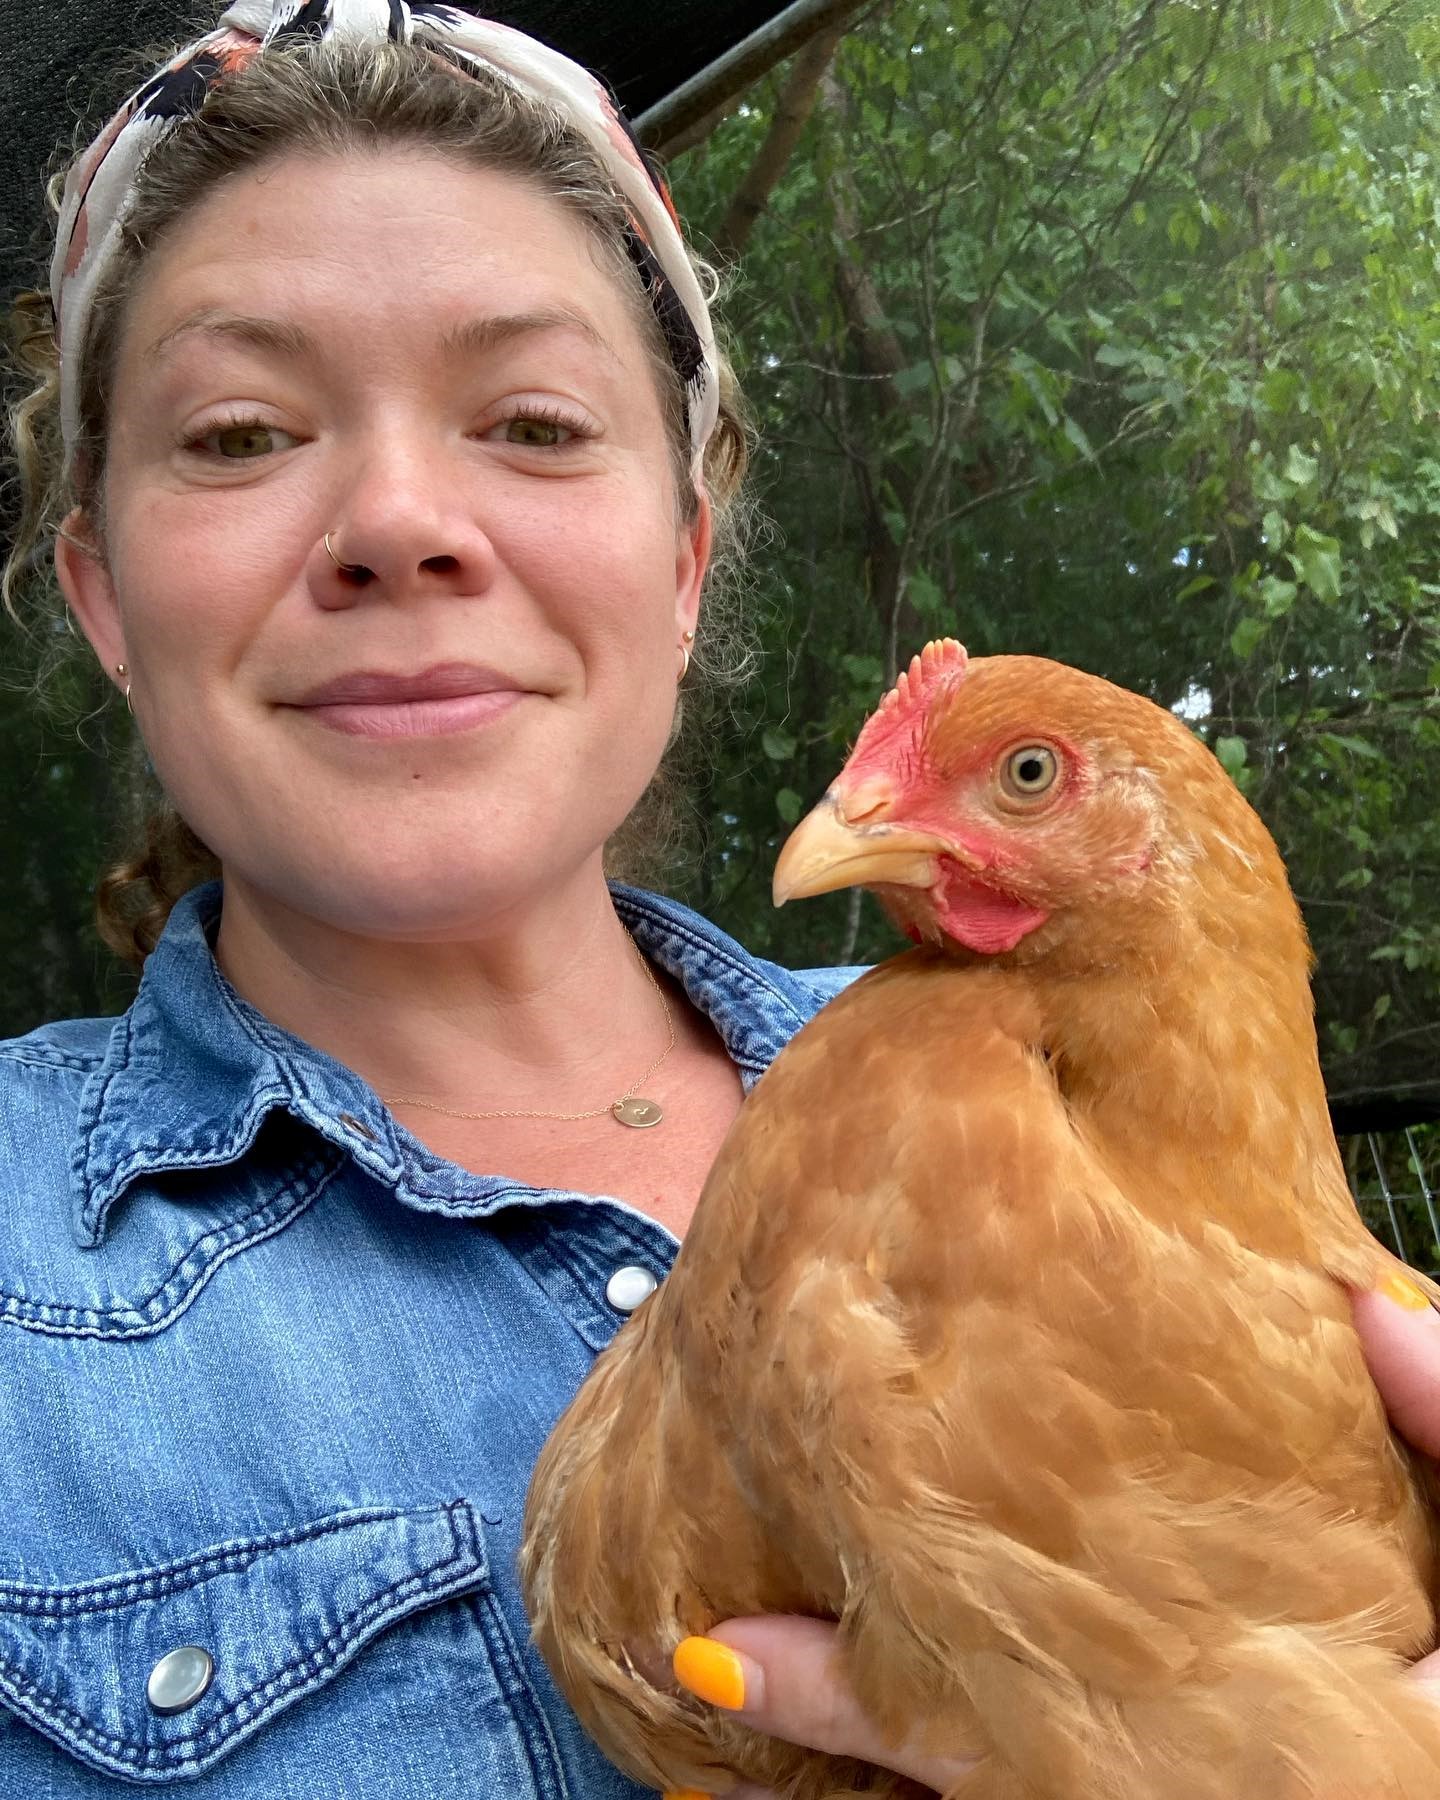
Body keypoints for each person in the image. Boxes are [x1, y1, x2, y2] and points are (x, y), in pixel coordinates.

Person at [1, 3, 1437, 1795]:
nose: (396, 516)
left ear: (682, 559)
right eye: (233, 434)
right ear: (105, 591)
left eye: (528, 418)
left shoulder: (1177, 1184)